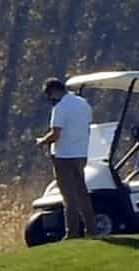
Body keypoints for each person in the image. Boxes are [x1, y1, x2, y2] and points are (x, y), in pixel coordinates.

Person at [35, 78, 96, 239]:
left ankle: (73, 233)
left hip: (64, 156)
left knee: (69, 196)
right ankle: (92, 229)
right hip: (81, 154)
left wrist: (42, 141)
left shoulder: (60, 107)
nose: (50, 98)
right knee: (82, 193)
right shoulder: (83, 103)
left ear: (54, 91)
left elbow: (55, 134)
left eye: (49, 94)